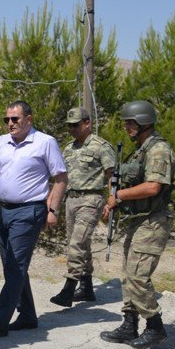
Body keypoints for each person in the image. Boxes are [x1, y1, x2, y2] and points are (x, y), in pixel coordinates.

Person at [0, 100, 67, 336]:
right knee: (12, 266)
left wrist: (53, 210)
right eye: (7, 120)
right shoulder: (1, 142)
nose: (10, 123)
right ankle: (28, 316)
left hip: (29, 211)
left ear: (29, 119)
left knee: (15, 266)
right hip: (5, 211)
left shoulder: (45, 142)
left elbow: (61, 177)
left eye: (15, 119)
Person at [99, 100, 175, 349]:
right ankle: (129, 324)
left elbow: (153, 186)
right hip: (138, 220)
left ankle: (155, 327)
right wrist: (114, 202)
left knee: (138, 275)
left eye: (130, 122)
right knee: (128, 274)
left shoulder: (158, 150)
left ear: (143, 122)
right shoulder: (141, 149)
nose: (126, 127)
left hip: (153, 221)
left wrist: (119, 196)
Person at [50, 107, 116, 307]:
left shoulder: (101, 146)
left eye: (76, 125)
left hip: (91, 199)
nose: (72, 129)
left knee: (76, 243)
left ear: (87, 123)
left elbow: (112, 174)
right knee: (78, 243)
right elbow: (61, 176)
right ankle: (86, 288)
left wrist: (112, 199)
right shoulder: (69, 148)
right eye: (69, 125)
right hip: (71, 199)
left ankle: (69, 288)